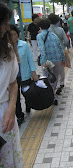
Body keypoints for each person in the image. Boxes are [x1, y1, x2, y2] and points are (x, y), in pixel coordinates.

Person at [0, 2, 24, 167]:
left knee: (8, 159)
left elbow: (13, 84)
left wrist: (11, 108)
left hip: (4, 114)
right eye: (5, 23)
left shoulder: (7, 50)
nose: (7, 28)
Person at [9, 24, 38, 126]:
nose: (14, 37)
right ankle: (19, 115)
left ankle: (28, 104)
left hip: (25, 74)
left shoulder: (24, 45)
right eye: (11, 35)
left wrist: (34, 72)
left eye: (15, 34)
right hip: (13, 78)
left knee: (27, 93)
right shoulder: (6, 47)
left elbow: (30, 59)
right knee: (15, 97)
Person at [37, 19, 65, 105]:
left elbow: (42, 49)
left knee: (48, 79)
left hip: (48, 61)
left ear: (40, 26)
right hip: (57, 59)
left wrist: (44, 60)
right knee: (55, 78)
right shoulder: (53, 35)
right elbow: (60, 47)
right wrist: (63, 59)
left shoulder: (40, 36)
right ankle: (53, 95)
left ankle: (51, 97)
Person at [48, 13, 69, 95]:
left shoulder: (47, 30)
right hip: (61, 53)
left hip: (50, 53)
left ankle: (53, 85)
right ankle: (61, 83)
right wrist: (63, 45)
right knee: (61, 69)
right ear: (57, 21)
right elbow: (66, 41)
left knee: (51, 70)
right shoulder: (60, 30)